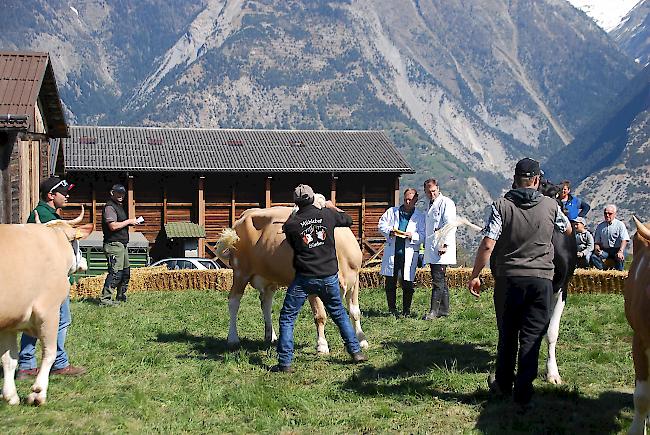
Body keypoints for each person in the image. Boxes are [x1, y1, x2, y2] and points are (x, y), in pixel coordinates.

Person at [467, 158, 571, 410]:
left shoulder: (500, 206)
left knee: (507, 334)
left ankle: (503, 385)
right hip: (541, 282)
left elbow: (489, 243)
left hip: (509, 280)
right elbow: (567, 230)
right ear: (536, 180)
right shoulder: (551, 205)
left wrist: (475, 274)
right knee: (532, 337)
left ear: (514, 179)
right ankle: (523, 393)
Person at [271, 184, 367, 372]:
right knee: (339, 314)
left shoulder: (291, 224)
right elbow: (348, 220)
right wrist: (331, 206)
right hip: (329, 275)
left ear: (296, 202)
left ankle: (285, 363)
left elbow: (291, 241)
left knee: (288, 317)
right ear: (312, 198)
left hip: (304, 277)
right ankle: (356, 352)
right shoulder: (328, 215)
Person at [16, 176, 87, 380]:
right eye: (63, 193)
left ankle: (27, 364)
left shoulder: (46, 214)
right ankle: (56, 362)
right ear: (51, 195)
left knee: (36, 320)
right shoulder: (45, 217)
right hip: (49, 278)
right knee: (60, 320)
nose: (67, 196)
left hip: (47, 277)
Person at [378, 188, 426, 317]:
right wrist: (390, 231)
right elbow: (381, 225)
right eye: (405, 199)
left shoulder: (420, 217)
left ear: (416, 200)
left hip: (409, 253)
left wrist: (412, 236)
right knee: (390, 282)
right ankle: (391, 309)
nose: (407, 201)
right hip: (393, 252)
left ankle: (406, 311)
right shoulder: (392, 212)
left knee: (407, 284)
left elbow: (423, 235)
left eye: (410, 199)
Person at [422, 179, 457, 320]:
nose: (432, 194)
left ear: (438, 188)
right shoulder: (430, 205)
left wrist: (445, 244)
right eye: (429, 192)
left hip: (441, 248)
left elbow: (450, 224)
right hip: (433, 247)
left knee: (437, 280)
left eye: (434, 191)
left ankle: (433, 311)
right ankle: (444, 310)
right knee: (440, 279)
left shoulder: (446, 203)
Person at [101, 184, 140, 306]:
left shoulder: (119, 207)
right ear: (112, 193)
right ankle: (105, 299)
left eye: (122, 193)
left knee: (125, 272)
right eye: (118, 193)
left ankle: (121, 296)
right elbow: (112, 226)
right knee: (115, 272)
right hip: (113, 244)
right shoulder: (109, 207)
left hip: (122, 244)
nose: (121, 195)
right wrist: (129, 221)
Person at [591, 204, 630, 271]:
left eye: (610, 213)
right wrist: (597, 248)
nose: (607, 215)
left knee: (620, 258)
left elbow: (624, 239)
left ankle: (619, 274)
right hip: (605, 250)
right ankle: (604, 271)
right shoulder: (600, 226)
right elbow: (597, 241)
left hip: (617, 249)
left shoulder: (620, 225)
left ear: (615, 214)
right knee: (594, 257)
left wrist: (620, 251)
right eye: (605, 213)